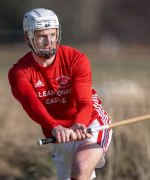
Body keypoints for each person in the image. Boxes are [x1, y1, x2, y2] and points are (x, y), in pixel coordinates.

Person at [8, 8, 112, 180]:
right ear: (28, 37)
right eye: (42, 36)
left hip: (90, 123)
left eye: (53, 34)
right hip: (58, 133)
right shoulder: (19, 73)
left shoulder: (76, 59)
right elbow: (32, 105)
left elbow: (85, 101)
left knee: (80, 169)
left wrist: (79, 123)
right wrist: (55, 126)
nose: (49, 41)